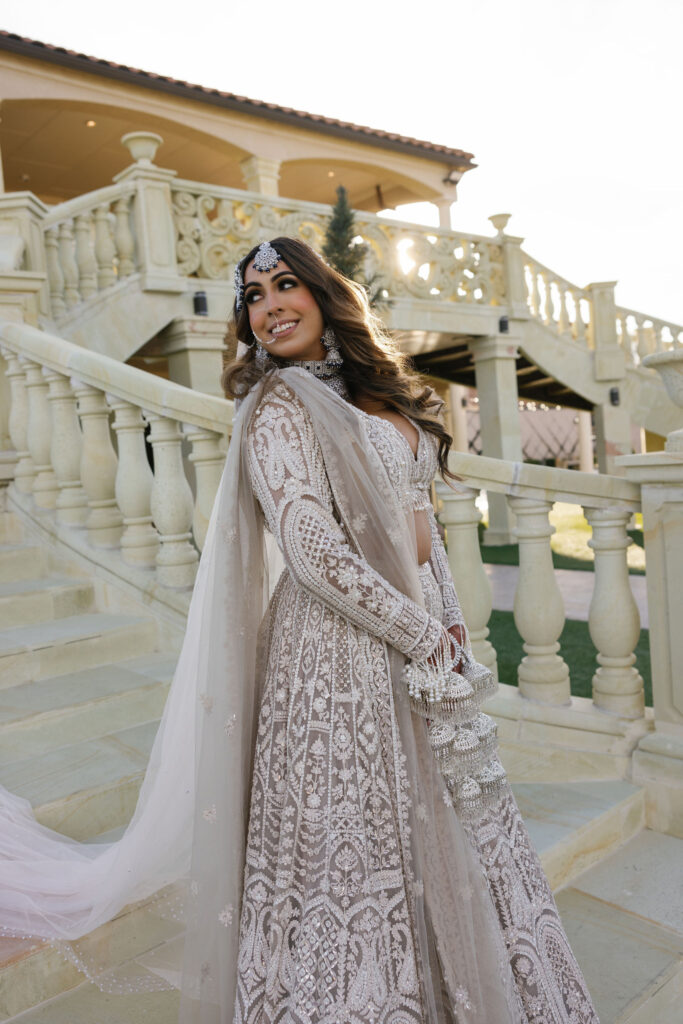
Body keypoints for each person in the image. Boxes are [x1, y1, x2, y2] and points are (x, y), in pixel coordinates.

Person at [0, 236, 598, 1024]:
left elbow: (423, 528)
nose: (270, 305)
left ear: (323, 294)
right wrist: (421, 635)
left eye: (285, 285)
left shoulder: (377, 395)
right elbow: (312, 551)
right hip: (334, 658)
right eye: (253, 296)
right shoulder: (278, 405)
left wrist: (449, 627)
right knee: (351, 856)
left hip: (416, 636)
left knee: (452, 835)